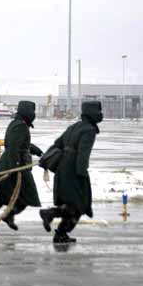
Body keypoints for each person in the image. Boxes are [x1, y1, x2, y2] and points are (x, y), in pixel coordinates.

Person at [39, 101, 103, 244]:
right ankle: (50, 215)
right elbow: (83, 154)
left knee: (71, 205)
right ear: (93, 113)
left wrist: (47, 159)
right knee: (79, 204)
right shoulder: (89, 130)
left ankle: (60, 233)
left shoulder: (73, 127)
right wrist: (82, 174)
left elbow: (57, 144)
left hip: (63, 169)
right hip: (73, 171)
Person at [0, 101, 43, 234]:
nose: (34, 114)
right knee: (27, 197)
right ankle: (3, 217)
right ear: (27, 112)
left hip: (13, 165)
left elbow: (21, 145)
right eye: (32, 111)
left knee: (1, 198)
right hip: (14, 168)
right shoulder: (20, 126)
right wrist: (15, 166)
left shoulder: (19, 124)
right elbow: (14, 148)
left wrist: (36, 150)